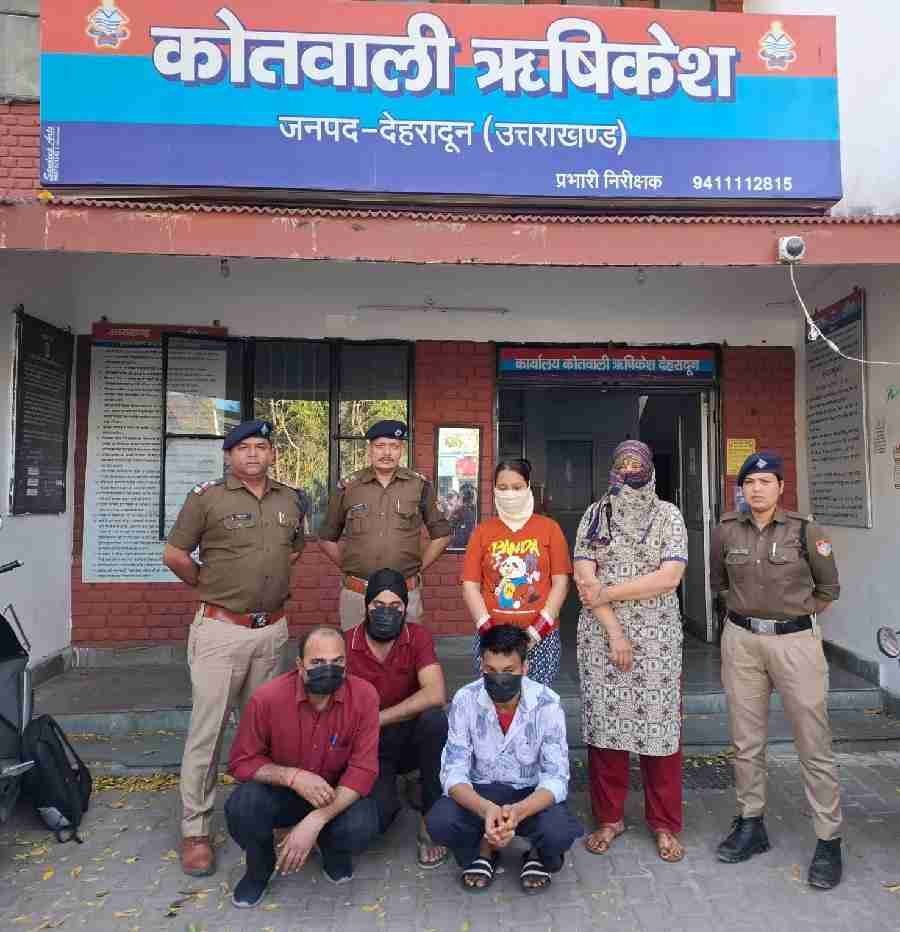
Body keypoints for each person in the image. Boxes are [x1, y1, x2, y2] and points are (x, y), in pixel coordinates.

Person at [163, 419, 307, 877]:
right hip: (220, 631)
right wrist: (211, 587)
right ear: (229, 456)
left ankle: (266, 814)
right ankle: (196, 830)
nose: (252, 454)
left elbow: (294, 550)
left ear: (273, 454)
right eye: (243, 448)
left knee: (267, 733)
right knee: (207, 734)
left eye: (261, 446)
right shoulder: (206, 498)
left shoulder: (290, 499)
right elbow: (175, 554)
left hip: (271, 631)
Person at [710, 451, 843, 889]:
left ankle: (828, 838)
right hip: (742, 641)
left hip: (795, 643)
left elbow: (828, 589)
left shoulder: (806, 530)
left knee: (813, 741)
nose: (757, 489)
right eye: (750, 482)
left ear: (781, 487)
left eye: (766, 482)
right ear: (742, 489)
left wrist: (793, 619)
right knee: (746, 740)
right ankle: (751, 823)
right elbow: (719, 584)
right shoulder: (726, 530)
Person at [574, 440, 688, 863]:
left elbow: (669, 577)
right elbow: (585, 578)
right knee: (606, 730)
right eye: (621, 463)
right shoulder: (594, 514)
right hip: (602, 637)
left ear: (650, 468)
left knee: (660, 732)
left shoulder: (668, 514)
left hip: (657, 640)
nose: (628, 470)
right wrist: (616, 632)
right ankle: (610, 818)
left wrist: (610, 591)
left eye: (636, 463)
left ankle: (664, 824)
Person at [225, 626, 380, 908]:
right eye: (317, 662)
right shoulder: (267, 699)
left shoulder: (364, 696)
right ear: (299, 665)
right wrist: (292, 776)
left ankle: (331, 850)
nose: (328, 670)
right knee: (242, 806)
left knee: (363, 823)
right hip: (284, 793)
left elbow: (363, 770)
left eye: (337, 662)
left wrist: (315, 821)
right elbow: (242, 761)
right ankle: (259, 868)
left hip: (335, 794)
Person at [426, 625, 583, 895]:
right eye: (491, 670)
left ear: (525, 668)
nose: (499, 679)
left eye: (508, 671)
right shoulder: (465, 699)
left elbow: (556, 778)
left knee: (558, 831)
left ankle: (536, 855)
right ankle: (484, 850)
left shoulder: (547, 703)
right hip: (482, 791)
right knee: (440, 820)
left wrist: (518, 811)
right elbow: (453, 772)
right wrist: (486, 809)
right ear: (481, 666)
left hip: (529, 794)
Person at [344, 567, 449, 869]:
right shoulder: (347, 643)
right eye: (378, 605)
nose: (386, 612)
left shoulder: (417, 637)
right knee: (375, 822)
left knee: (435, 720)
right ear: (366, 606)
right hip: (371, 746)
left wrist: (378, 718)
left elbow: (436, 693)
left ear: (405, 608)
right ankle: (397, 791)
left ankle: (430, 818)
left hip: (410, 736)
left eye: (395, 606)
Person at [318, 420, 451, 630]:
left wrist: (418, 568)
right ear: (369, 449)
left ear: (401, 450)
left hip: (405, 593)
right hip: (357, 595)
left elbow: (442, 535)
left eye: (394, 446)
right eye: (380, 446)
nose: (387, 452)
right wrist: (349, 567)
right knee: (355, 649)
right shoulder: (349, 487)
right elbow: (326, 538)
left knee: (406, 648)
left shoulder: (419, 485)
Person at [461, 459, 571, 685]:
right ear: (494, 489)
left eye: (517, 487)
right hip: (492, 640)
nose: (509, 493)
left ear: (528, 487)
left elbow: (561, 583)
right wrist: (488, 630)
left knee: (536, 700)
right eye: (502, 487)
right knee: (495, 698)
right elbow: (470, 585)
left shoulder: (550, 529)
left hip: (542, 639)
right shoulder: (482, 532)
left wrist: (537, 631)